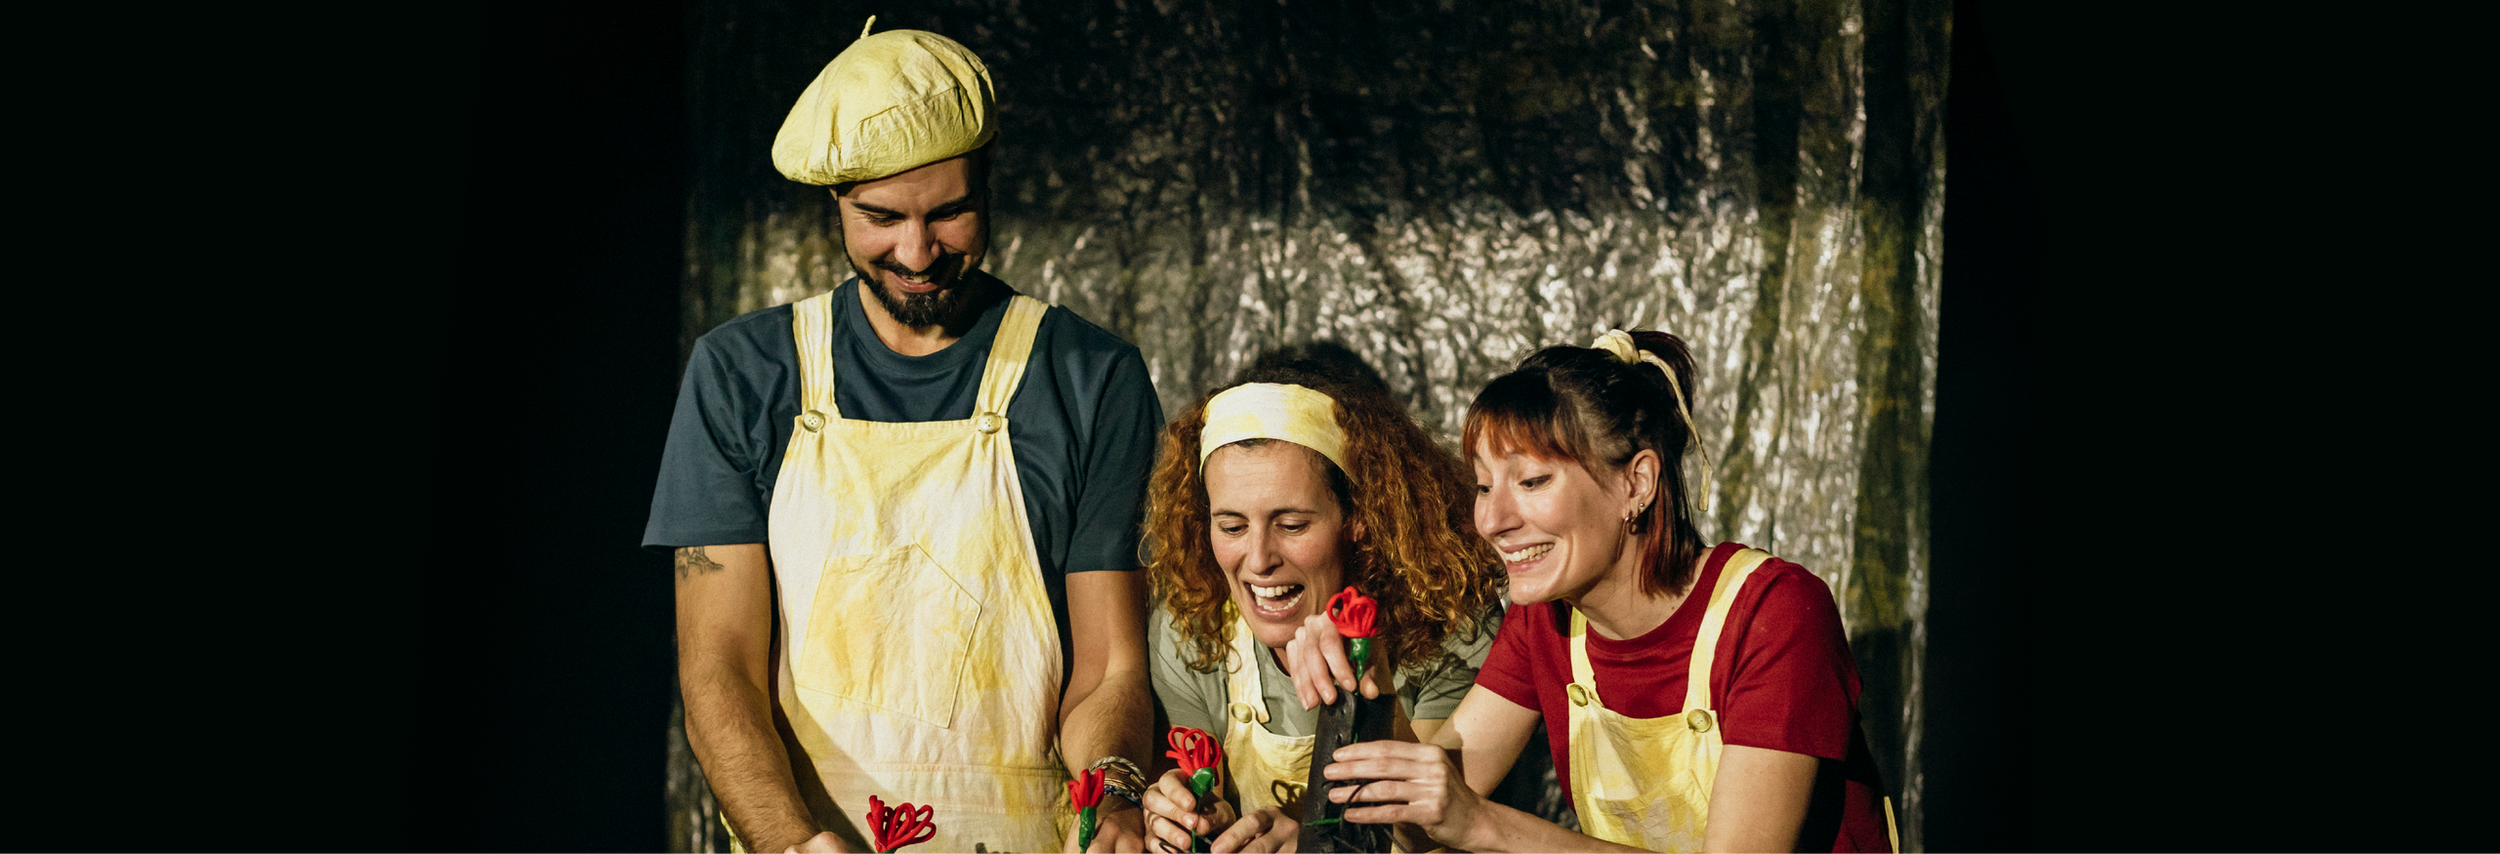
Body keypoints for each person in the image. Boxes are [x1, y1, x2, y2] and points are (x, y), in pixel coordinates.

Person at [645, 22, 1160, 854]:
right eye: (880, 218)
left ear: (989, 189)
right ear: (836, 202)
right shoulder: (742, 372)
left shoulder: (1089, 375)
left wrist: (1114, 801)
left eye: (949, 214)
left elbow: (1110, 668)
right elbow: (720, 668)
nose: (916, 253)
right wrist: (792, 841)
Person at [1301, 330, 1897, 853]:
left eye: (1533, 481)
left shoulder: (1775, 613)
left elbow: (1466, 817)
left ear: (1635, 482)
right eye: (1484, 487)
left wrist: (1483, 824)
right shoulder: (1547, 618)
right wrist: (1370, 682)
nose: (1492, 520)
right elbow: (1424, 828)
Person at [1132, 343, 1509, 854]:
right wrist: (1189, 817)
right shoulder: (1190, 627)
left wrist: (1313, 839)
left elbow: (1424, 832)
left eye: (1291, 524)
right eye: (1232, 526)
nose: (1259, 558)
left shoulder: (1450, 619)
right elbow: (1198, 781)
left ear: (1360, 516)